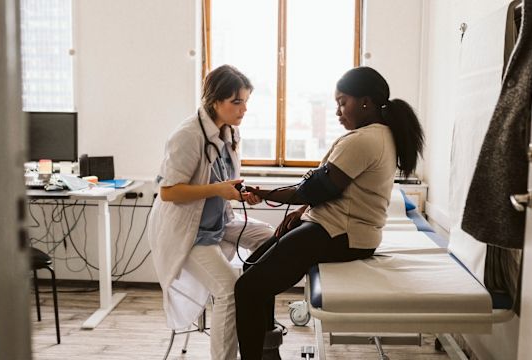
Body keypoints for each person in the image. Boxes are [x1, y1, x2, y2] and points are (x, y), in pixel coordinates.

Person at [234, 66, 425, 359]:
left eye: (342, 101)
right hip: (339, 229)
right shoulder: (379, 136)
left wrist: (263, 194)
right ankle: (268, 352)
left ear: (365, 102)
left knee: (248, 288)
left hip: (341, 233)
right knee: (252, 271)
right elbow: (327, 190)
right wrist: (302, 211)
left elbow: (314, 189)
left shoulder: (364, 140)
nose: (338, 110)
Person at [147, 65, 274, 360]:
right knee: (229, 290)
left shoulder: (230, 132)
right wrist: (218, 190)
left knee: (272, 237)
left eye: (245, 102)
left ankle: (258, 317)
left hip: (219, 221)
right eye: (237, 102)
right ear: (215, 101)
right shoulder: (187, 136)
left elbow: (222, 179)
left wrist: (239, 192)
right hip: (188, 234)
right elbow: (169, 193)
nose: (243, 110)